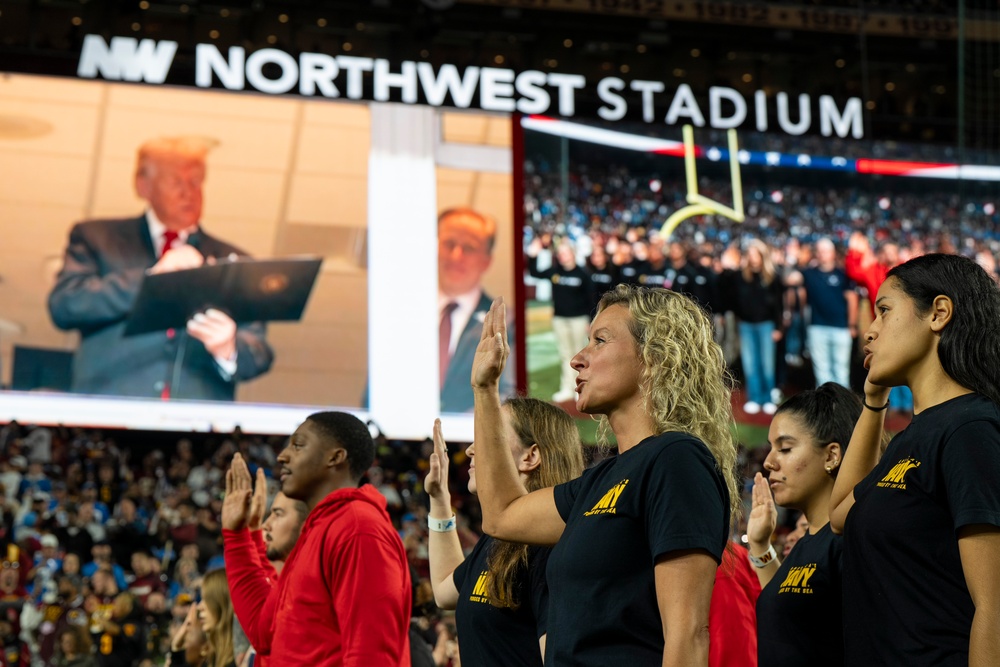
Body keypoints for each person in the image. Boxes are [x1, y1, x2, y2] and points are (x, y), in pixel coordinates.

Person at [470, 287, 739, 666]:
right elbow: (501, 515)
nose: (578, 359)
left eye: (600, 340)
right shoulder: (600, 479)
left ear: (656, 357)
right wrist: (484, 389)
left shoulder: (677, 459)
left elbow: (687, 633)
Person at [830, 253, 1000, 666]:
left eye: (884, 311)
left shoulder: (970, 429)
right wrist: (873, 403)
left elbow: (993, 607)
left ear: (938, 313)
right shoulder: (917, 435)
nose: (869, 332)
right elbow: (840, 515)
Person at [47, 136, 274, 400]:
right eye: (176, 181)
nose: (188, 192)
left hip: (197, 427)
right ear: (143, 186)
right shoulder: (96, 237)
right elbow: (66, 305)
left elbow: (259, 352)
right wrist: (153, 278)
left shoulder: (233, 259)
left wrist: (229, 348)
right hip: (109, 414)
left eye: (196, 182)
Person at [222, 412, 411, 666]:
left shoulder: (358, 529)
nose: (282, 456)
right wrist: (236, 536)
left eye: (298, 445)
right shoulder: (317, 530)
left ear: (335, 457)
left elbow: (372, 658)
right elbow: (263, 631)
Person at [426, 397, 584, 667]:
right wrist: (440, 499)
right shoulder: (499, 538)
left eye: (491, 436)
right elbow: (443, 590)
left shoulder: (550, 548)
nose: (472, 449)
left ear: (530, 457)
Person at [747, 383, 862, 667]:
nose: (769, 462)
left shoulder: (851, 540)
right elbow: (785, 606)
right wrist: (761, 545)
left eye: (785, 449)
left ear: (831, 456)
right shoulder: (808, 541)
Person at [438, 207, 514, 412]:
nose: (456, 255)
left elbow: (508, 396)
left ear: (486, 260)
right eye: (449, 244)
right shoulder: (401, 315)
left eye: (469, 248)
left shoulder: (508, 324)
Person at [526, 238, 595, 403]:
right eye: (560, 253)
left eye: (565, 252)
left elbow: (592, 299)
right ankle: (567, 389)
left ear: (572, 253)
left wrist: (590, 321)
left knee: (580, 355)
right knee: (565, 355)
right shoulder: (555, 272)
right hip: (560, 319)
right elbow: (535, 272)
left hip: (579, 320)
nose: (563, 256)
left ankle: (581, 389)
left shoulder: (583, 274)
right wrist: (532, 256)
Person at [722, 240, 784, 415]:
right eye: (751, 254)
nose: (753, 258)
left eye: (756, 254)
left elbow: (779, 305)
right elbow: (728, 292)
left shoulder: (772, 277)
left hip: (766, 325)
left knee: (767, 364)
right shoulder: (740, 277)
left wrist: (778, 328)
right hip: (746, 325)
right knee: (751, 364)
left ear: (763, 256)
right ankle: (755, 398)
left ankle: (767, 398)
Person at [797, 239, 858, 388]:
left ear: (833, 253)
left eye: (826, 251)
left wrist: (851, 325)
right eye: (820, 251)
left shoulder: (843, 274)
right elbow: (790, 279)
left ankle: (843, 409)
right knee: (822, 372)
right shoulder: (808, 274)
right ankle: (825, 408)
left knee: (841, 371)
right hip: (817, 327)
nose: (822, 254)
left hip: (841, 328)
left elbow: (852, 300)